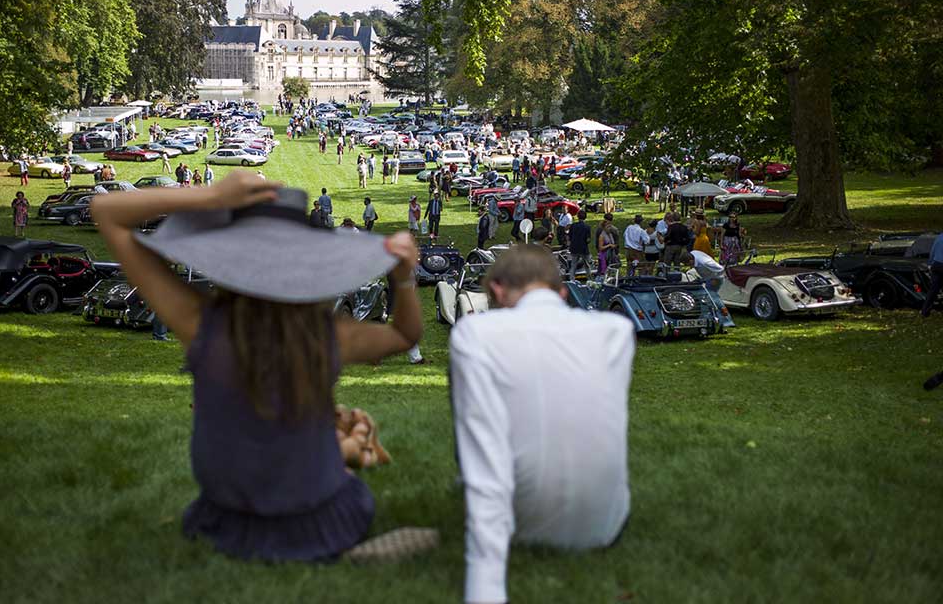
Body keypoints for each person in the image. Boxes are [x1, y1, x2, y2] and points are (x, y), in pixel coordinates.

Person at [92, 175, 430, 565]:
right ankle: (347, 540)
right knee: (346, 476)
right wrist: (403, 278)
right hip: (320, 522)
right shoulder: (328, 336)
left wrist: (209, 196)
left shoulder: (199, 323)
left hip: (227, 524)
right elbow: (406, 335)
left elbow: (106, 211)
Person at [449, 245, 634, 604]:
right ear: (561, 293)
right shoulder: (617, 332)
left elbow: (486, 459)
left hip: (522, 522)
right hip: (605, 523)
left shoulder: (476, 335)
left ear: (498, 291)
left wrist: (484, 591)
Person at [921, 232, 943, 318]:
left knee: (933, 290)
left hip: (936, 265)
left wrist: (930, 263)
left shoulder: (939, 237)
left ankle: (925, 311)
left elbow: (932, 251)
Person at [568, 211, 592, 280]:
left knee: (573, 265)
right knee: (587, 265)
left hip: (574, 248)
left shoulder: (573, 226)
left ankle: (571, 279)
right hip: (583, 248)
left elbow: (570, 236)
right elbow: (588, 240)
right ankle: (589, 279)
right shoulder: (587, 227)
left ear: (578, 217)